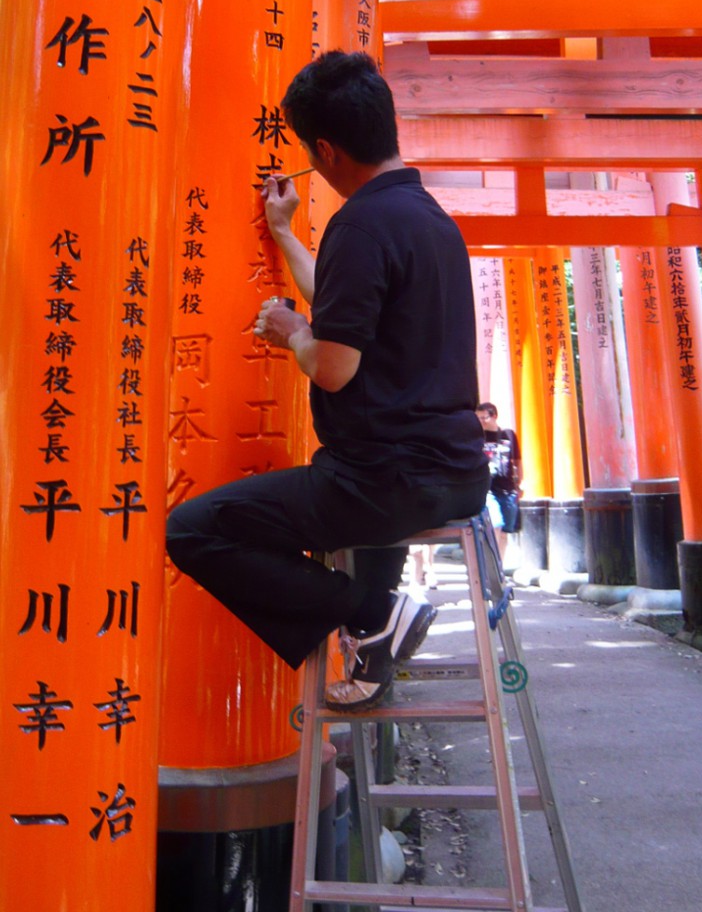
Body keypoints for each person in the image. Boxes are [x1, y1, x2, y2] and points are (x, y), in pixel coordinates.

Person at [166, 51, 489, 712]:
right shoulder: (429, 220)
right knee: (359, 486)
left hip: (383, 482)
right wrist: (283, 235)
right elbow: (347, 318)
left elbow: (334, 365)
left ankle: (372, 609)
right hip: (452, 470)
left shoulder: (362, 224)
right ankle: (374, 643)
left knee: (193, 531)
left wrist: (289, 332)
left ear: (325, 148)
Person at [476, 402, 522, 566]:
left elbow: (517, 461)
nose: (481, 421)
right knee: (496, 524)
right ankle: (490, 566)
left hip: (508, 488)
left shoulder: (508, 435)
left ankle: (499, 568)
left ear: (494, 416)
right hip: (488, 489)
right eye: (479, 418)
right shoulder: (478, 437)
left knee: (505, 532)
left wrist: (519, 484)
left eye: (484, 418)